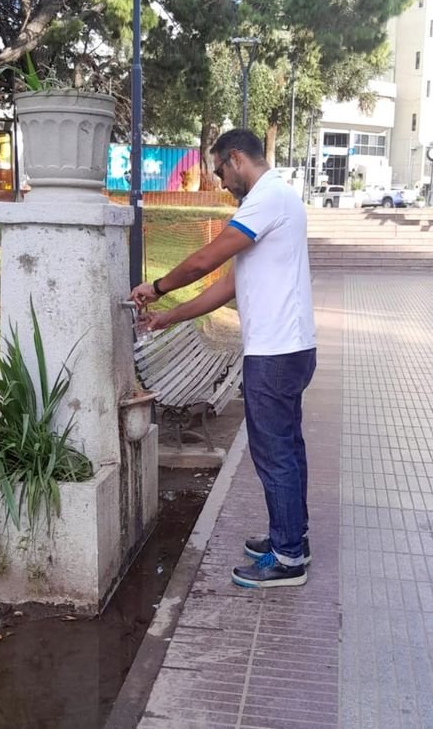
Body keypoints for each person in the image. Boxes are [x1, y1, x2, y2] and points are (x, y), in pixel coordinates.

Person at [131, 129, 316, 589]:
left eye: (220, 171)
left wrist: (156, 288)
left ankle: (288, 558)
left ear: (236, 159)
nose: (220, 181)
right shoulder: (276, 201)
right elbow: (226, 286)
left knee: (275, 453)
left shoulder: (266, 198)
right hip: (287, 347)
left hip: (276, 351)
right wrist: (167, 317)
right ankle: (290, 538)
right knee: (286, 449)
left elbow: (202, 261)